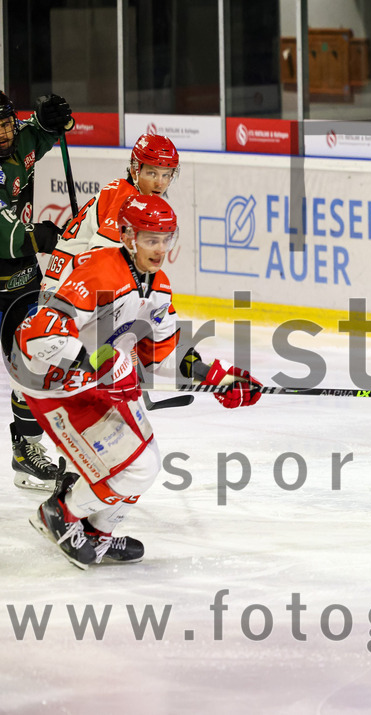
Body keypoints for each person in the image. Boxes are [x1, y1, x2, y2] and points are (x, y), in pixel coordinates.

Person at [7, 194, 263, 569]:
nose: (159, 249)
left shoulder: (157, 287)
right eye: (150, 239)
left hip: (93, 383)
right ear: (128, 237)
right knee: (135, 466)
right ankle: (59, 513)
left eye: (165, 239)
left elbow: (162, 355)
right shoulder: (99, 270)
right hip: (54, 383)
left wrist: (218, 377)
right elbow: (40, 332)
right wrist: (95, 366)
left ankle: (97, 536)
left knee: (147, 461)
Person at [0, 90, 76, 490]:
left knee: (33, 360)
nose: (4, 133)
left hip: (22, 279)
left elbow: (45, 132)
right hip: (6, 264)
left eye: (6, 123)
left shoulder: (17, 139)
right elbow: (7, 236)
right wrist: (42, 236)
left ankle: (25, 450)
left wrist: (50, 117)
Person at [39, 133, 179, 304]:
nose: (160, 183)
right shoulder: (127, 200)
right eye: (152, 173)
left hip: (71, 284)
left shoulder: (129, 194)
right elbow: (101, 255)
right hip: (65, 290)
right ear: (135, 171)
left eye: (166, 175)